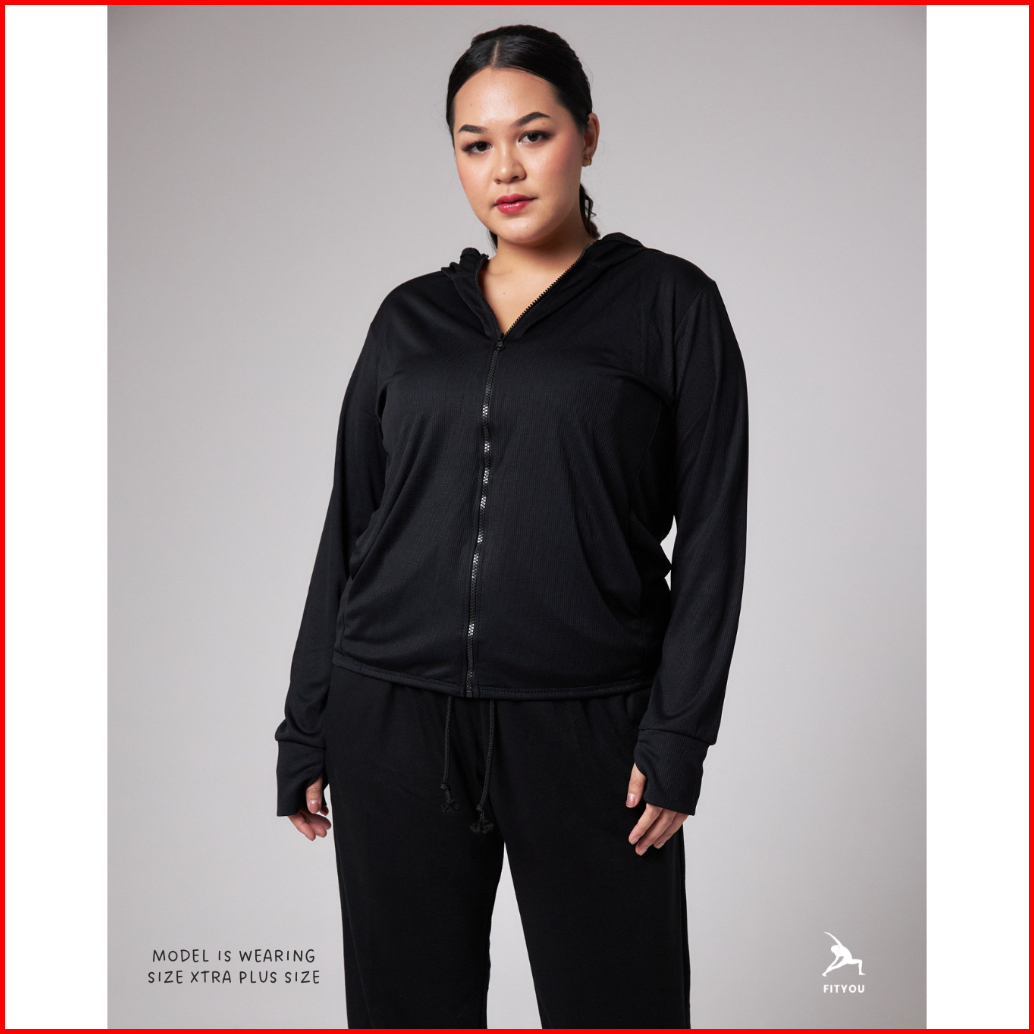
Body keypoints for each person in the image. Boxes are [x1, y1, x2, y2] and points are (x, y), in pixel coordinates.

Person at [274, 23, 748, 1029]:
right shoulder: (409, 319)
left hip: (589, 721)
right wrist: (306, 720)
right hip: (393, 713)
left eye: (532, 134)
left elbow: (713, 535)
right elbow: (351, 523)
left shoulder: (669, 303)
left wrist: (677, 731)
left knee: (622, 1009)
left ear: (587, 135)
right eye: (475, 143)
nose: (505, 168)